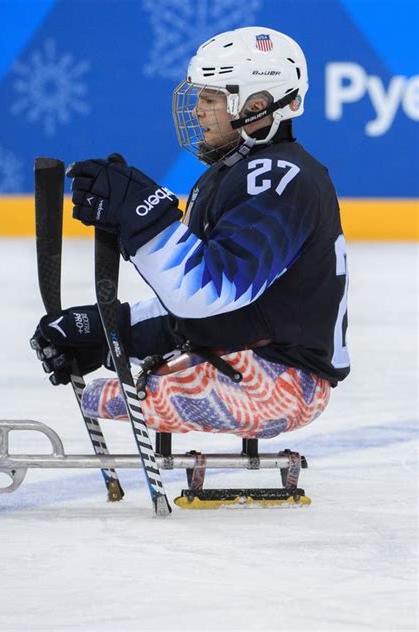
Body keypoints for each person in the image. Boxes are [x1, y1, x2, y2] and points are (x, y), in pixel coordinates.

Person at [31, 27, 350, 439]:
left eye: (211, 98)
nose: (198, 110)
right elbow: (206, 310)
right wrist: (114, 330)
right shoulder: (232, 176)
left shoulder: (277, 179)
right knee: (105, 394)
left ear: (256, 105)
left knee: (106, 398)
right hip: (248, 357)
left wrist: (143, 217)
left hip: (282, 383)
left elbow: (205, 292)